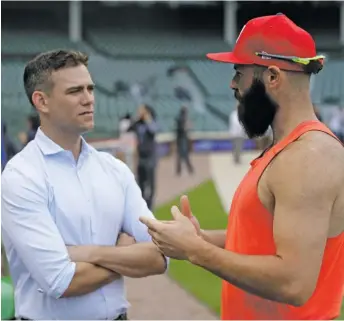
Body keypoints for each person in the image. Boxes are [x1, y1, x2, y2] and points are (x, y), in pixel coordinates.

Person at [140, 14, 344, 320]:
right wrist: (199, 238)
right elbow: (266, 237)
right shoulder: (286, 148)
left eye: (239, 72)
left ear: (273, 77)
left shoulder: (309, 156)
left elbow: (294, 283)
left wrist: (197, 252)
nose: (232, 84)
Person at [1, 49, 168, 320]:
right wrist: (124, 256)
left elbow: (161, 255)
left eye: (90, 88)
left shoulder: (114, 169)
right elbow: (61, 281)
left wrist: (89, 254)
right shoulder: (21, 176)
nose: (88, 98)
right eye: (75, 91)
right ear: (41, 101)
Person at [128, 104, 158, 210]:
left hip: (150, 158)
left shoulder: (151, 122)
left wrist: (148, 119)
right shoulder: (138, 124)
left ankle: (150, 208)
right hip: (141, 157)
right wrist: (137, 118)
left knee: (150, 185)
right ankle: (142, 206)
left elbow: (153, 131)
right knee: (141, 183)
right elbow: (129, 128)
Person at [175, 106, 194, 175]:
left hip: (180, 138)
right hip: (182, 138)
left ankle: (179, 170)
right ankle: (189, 169)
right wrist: (187, 126)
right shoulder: (182, 119)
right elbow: (183, 129)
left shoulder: (179, 118)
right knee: (184, 154)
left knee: (180, 154)